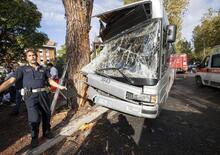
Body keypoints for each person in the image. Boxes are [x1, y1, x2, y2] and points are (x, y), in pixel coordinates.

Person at [0, 49, 66, 148]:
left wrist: (60, 86)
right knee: (34, 118)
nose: (32, 57)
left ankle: (47, 132)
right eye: (30, 55)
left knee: (46, 114)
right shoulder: (21, 69)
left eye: (34, 55)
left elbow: (49, 80)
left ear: (36, 56)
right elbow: (10, 81)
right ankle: (34, 137)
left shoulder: (43, 69)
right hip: (30, 96)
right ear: (27, 58)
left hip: (43, 94)